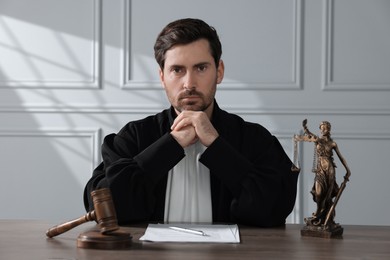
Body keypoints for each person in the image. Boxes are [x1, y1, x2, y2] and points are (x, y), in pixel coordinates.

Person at [84, 18, 299, 227]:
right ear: (162, 77)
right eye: (177, 70)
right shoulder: (134, 136)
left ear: (219, 72)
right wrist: (169, 146)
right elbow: (102, 206)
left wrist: (217, 145)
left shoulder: (255, 139)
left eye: (201, 68)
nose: (189, 83)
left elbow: (276, 208)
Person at [294, 120, 351, 226]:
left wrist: (347, 169)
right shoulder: (318, 140)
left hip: (329, 170)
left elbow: (341, 158)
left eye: (325, 128)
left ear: (329, 129)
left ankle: (325, 218)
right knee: (319, 193)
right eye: (322, 127)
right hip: (320, 170)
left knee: (327, 196)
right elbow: (309, 135)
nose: (323, 129)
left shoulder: (333, 143)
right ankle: (318, 213)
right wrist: (305, 128)